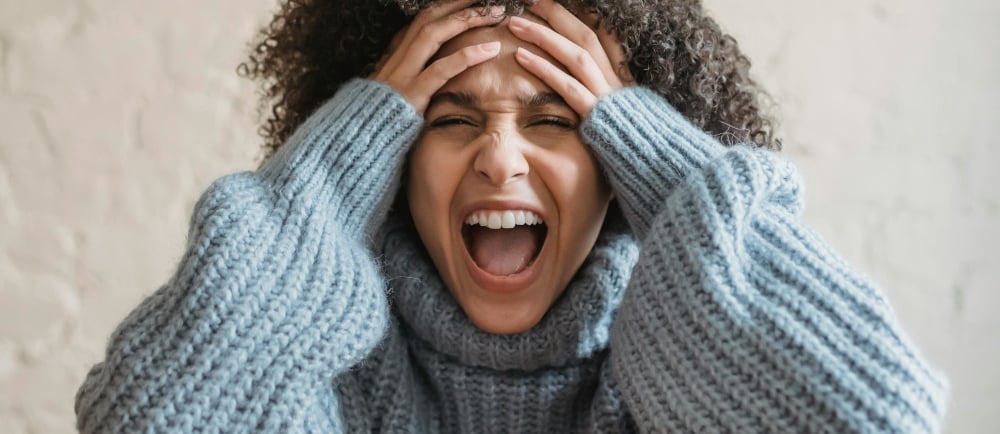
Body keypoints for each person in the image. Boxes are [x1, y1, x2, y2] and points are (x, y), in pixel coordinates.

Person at [74, 0, 948, 432]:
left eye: (556, 121)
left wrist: (672, 172)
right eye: (450, 120)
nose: (499, 158)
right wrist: (330, 178)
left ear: (620, 163)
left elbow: (878, 416)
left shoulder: (682, 385)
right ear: (390, 159)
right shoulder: (317, 376)